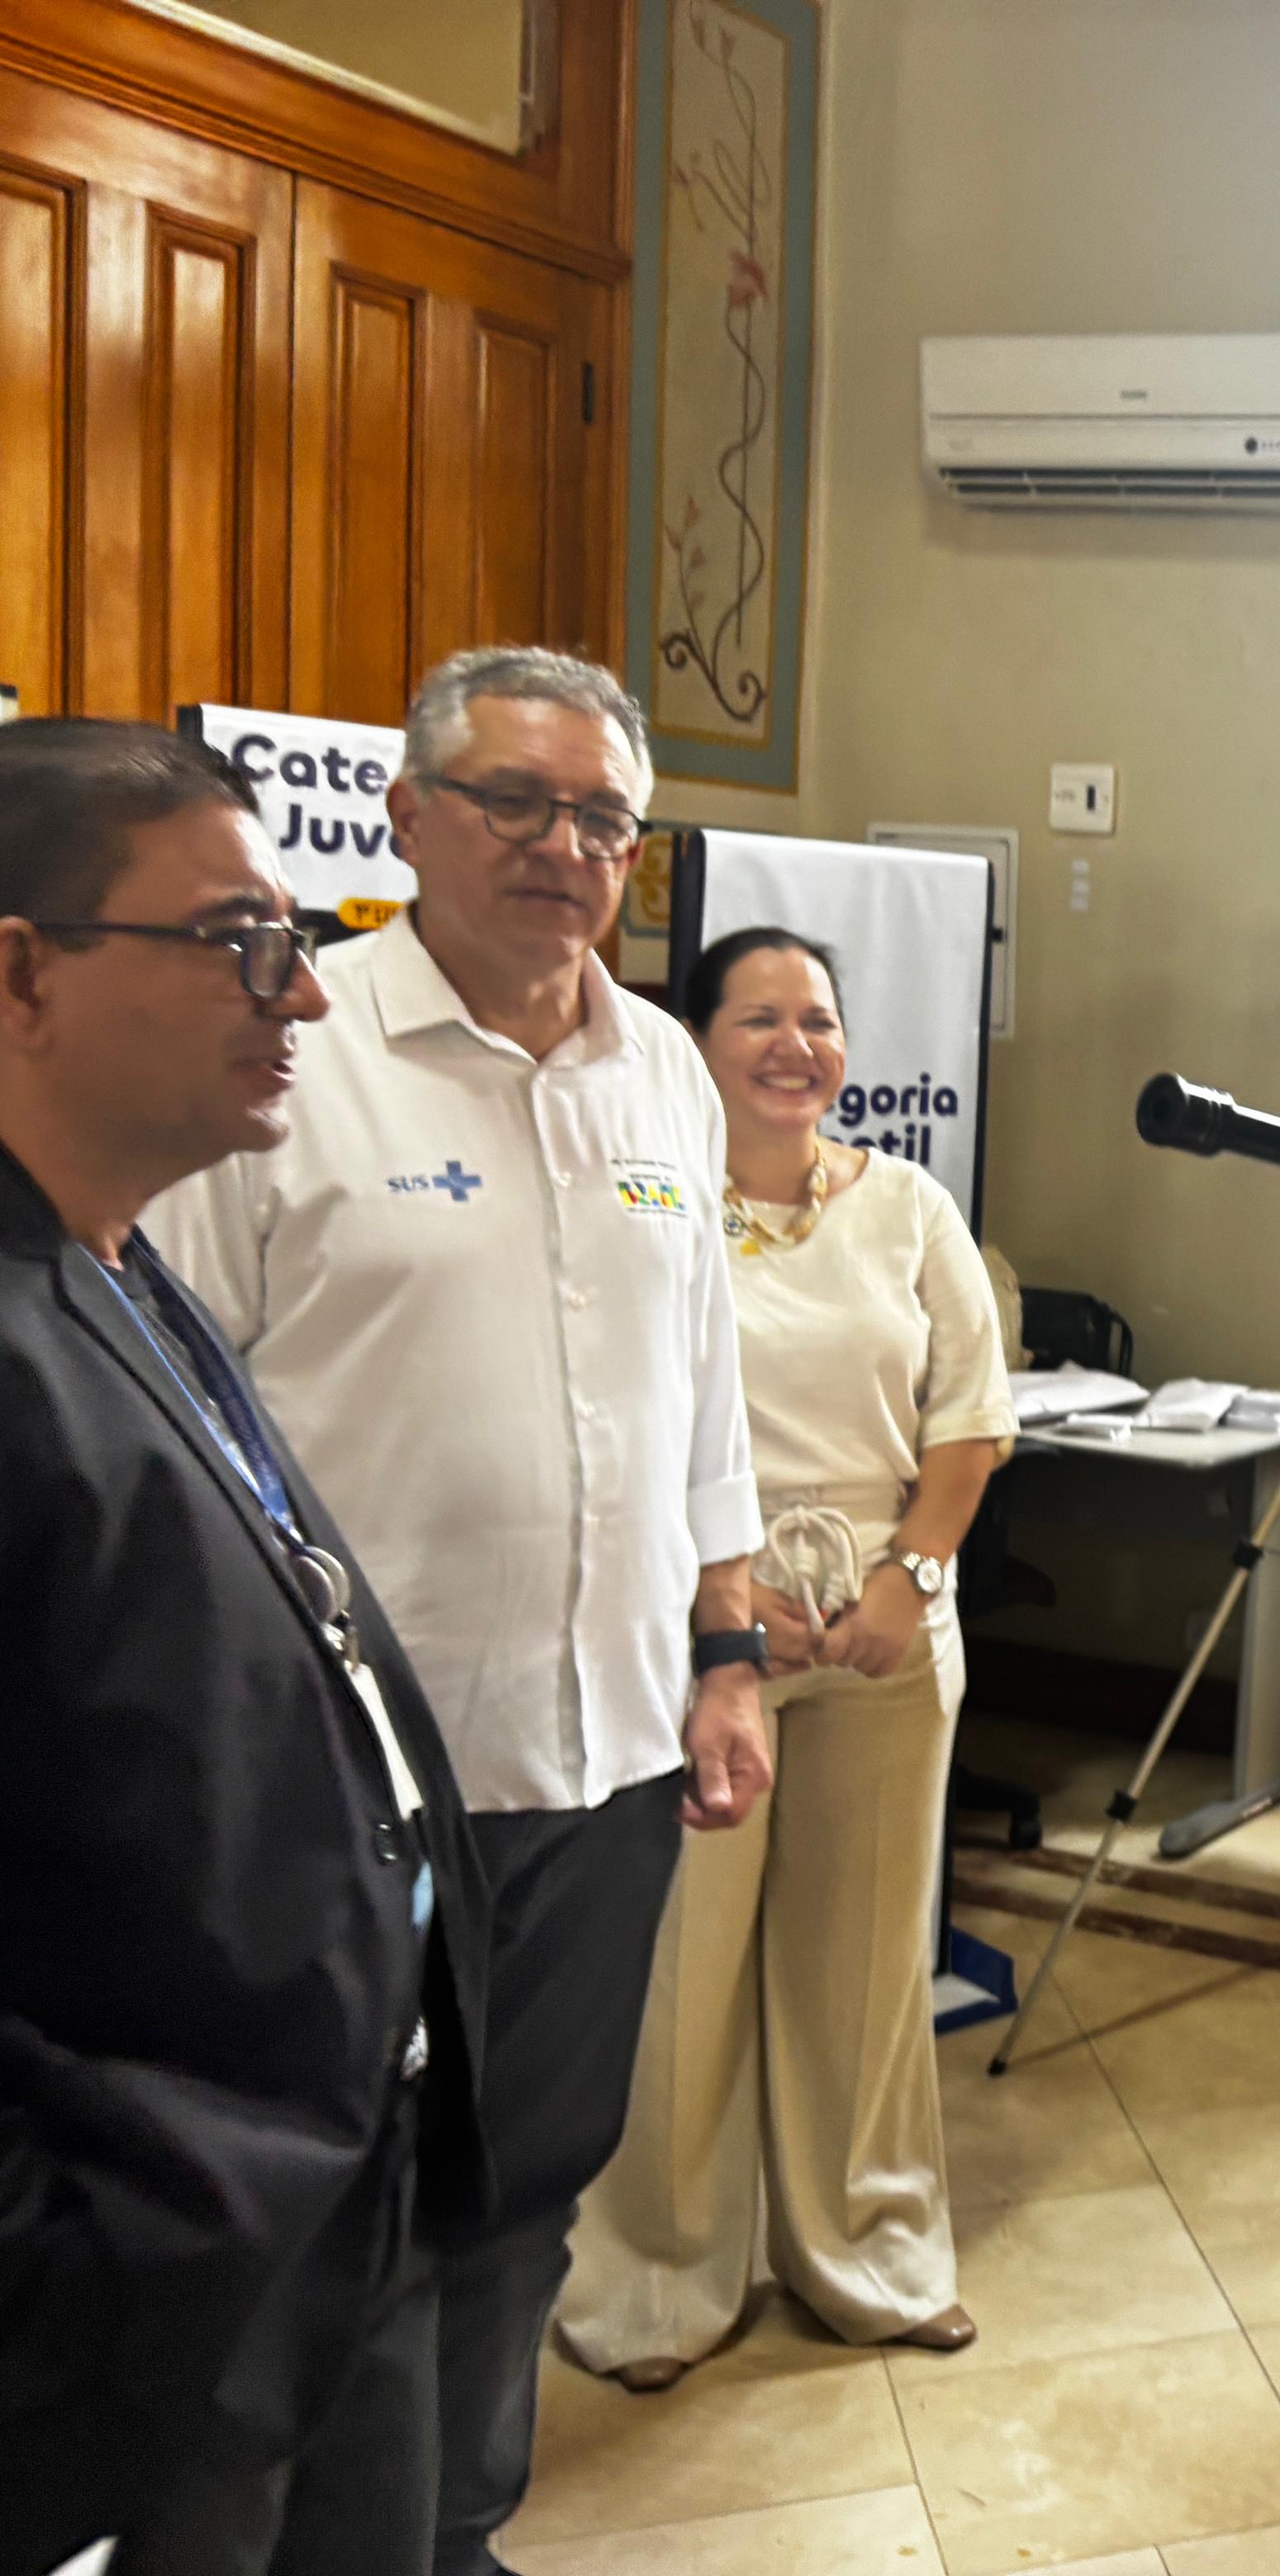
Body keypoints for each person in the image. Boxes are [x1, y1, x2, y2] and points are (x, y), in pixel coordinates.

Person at [147, 649, 771, 2576]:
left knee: (529, 2182)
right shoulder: (291, 1054)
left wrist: (730, 1644)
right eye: (514, 797)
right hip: (353, 1790)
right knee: (363, 2207)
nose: (560, 843)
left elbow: (706, 1389)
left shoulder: (662, 1063)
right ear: (407, 816)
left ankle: (456, 2522)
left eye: (598, 815)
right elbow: (173, 1409)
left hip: (602, 1758)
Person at [0, 722, 489, 2574]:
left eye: (298, 937)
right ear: (22, 969)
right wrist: (81, 2275)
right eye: (233, 941)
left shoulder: (117, 1261)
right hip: (150, 2281)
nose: (296, 994)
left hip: (326, 2193)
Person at [557, 926, 1013, 2389]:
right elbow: (625, 1414)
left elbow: (973, 1417)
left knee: (869, 1962)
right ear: (693, 1039)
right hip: (704, 1640)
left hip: (888, 1628)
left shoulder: (911, 1206)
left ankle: (871, 2251)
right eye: (757, 1017)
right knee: (682, 1972)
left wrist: (908, 1577)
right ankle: (658, 2280)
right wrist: (734, 1609)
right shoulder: (650, 1199)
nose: (792, 1044)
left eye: (818, 1018)